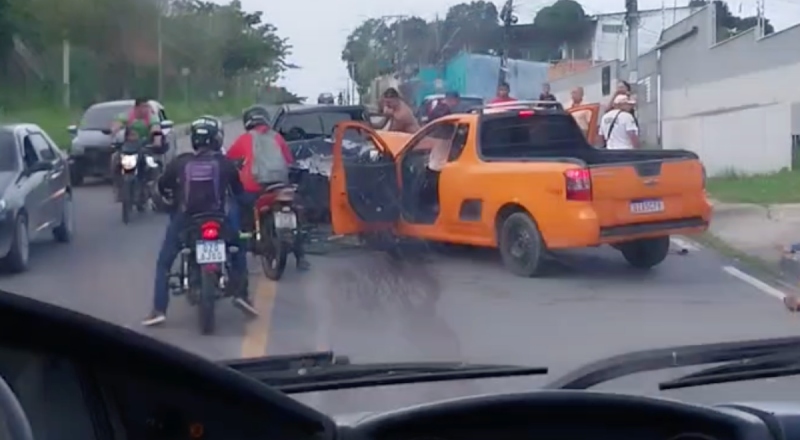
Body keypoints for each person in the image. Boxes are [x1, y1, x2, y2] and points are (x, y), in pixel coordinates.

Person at [142, 118, 256, 327]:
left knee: (164, 263)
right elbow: (239, 195)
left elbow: (162, 186)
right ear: (215, 140)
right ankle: (241, 294)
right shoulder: (225, 163)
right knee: (238, 249)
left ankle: (159, 309)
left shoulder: (180, 161)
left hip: (186, 220)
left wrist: (169, 200)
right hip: (218, 219)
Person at [226, 105, 311, 271]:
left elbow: (228, 160)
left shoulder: (245, 138)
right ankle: (301, 257)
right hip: (279, 186)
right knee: (295, 212)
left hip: (253, 188)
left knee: (234, 205)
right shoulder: (277, 137)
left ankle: (235, 247)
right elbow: (288, 160)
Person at [110, 98, 164, 201]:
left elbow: (155, 128)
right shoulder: (128, 116)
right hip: (128, 148)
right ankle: (118, 187)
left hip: (144, 147)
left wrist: (157, 140)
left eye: (147, 107)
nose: (146, 109)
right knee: (114, 160)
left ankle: (152, 189)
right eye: (143, 107)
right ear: (137, 107)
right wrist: (114, 132)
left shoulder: (150, 117)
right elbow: (117, 124)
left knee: (153, 165)